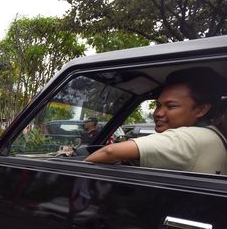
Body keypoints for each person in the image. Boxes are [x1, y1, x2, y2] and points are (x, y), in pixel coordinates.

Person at [85, 68, 227, 175]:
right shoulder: (212, 135)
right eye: (158, 105)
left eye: (171, 106)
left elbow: (109, 152)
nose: (158, 113)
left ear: (201, 110)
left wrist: (78, 171)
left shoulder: (188, 138)